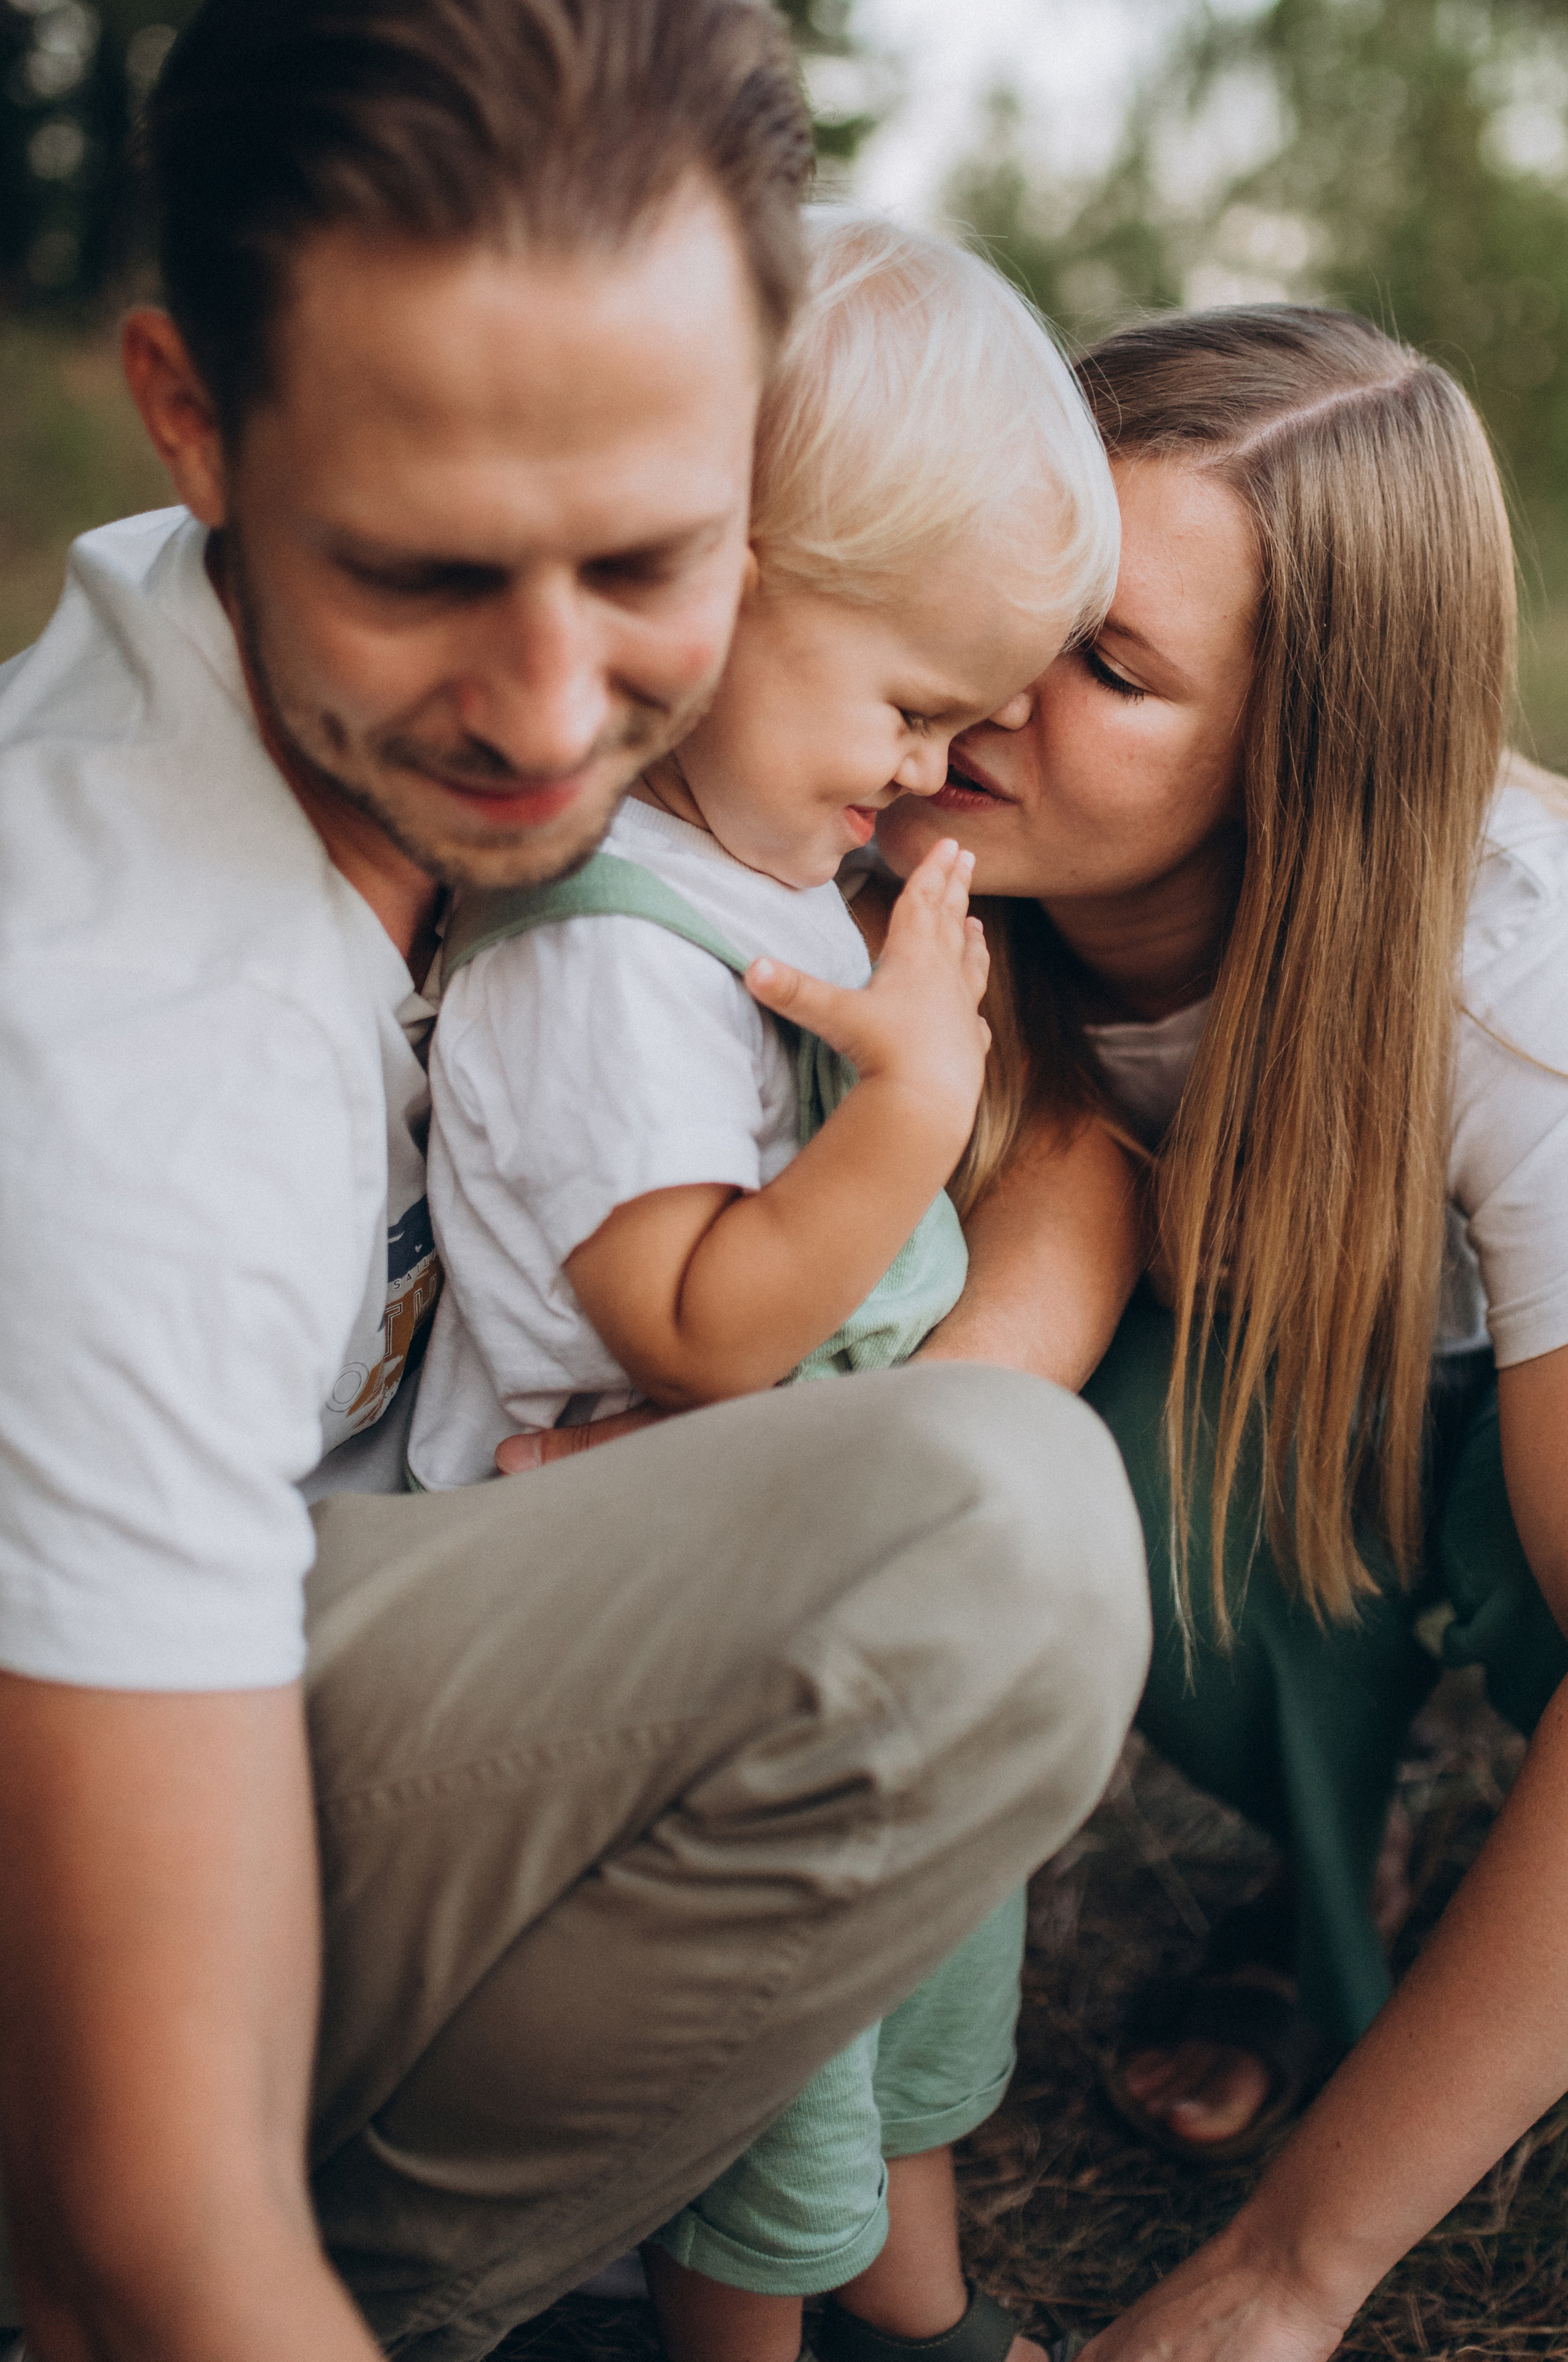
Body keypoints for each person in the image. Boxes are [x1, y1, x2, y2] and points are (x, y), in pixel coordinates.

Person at [0, 0, 1151, 2362]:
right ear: (192, 410)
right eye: (424, 568)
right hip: (73, 1981)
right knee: (990, 1545)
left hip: (277, 1681)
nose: (546, 710)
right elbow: (143, 2223)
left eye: (645, 559)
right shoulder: (125, 1057)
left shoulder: (610, 770)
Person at [867, 304, 1568, 2359]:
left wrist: (1285, 2273)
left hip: (1550, 1375)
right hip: (1253, 1376)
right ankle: (1326, 1886)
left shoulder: (1497, 936)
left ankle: (1472, 1908)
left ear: (1305, 752)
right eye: (1026, 591)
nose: (994, 685)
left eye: (1117, 666)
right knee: (1123, 1507)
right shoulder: (868, 784)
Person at [408, 207, 1131, 2362]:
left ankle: (918, 2312)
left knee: (906, 1981)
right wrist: (913, 1105)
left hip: (826, 1578)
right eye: (912, 705)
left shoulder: (759, 874)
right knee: (769, 2052)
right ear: (721, 587)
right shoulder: (609, 947)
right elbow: (701, 1322)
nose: (929, 771)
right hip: (664, 1632)